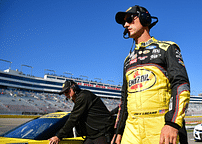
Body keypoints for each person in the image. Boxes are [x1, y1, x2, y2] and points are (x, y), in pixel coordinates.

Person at [112, 5, 190, 144]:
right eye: (124, 22)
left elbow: (181, 85)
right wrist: (119, 130)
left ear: (144, 18)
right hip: (132, 128)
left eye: (129, 19)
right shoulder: (127, 60)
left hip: (160, 125)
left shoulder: (167, 48)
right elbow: (124, 98)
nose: (125, 25)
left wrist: (172, 123)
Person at [48, 80, 114, 144]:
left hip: (102, 132)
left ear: (74, 88)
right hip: (92, 135)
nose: (66, 94)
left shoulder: (83, 96)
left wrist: (59, 136)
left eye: (67, 91)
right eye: (64, 93)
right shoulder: (80, 98)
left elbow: (73, 118)